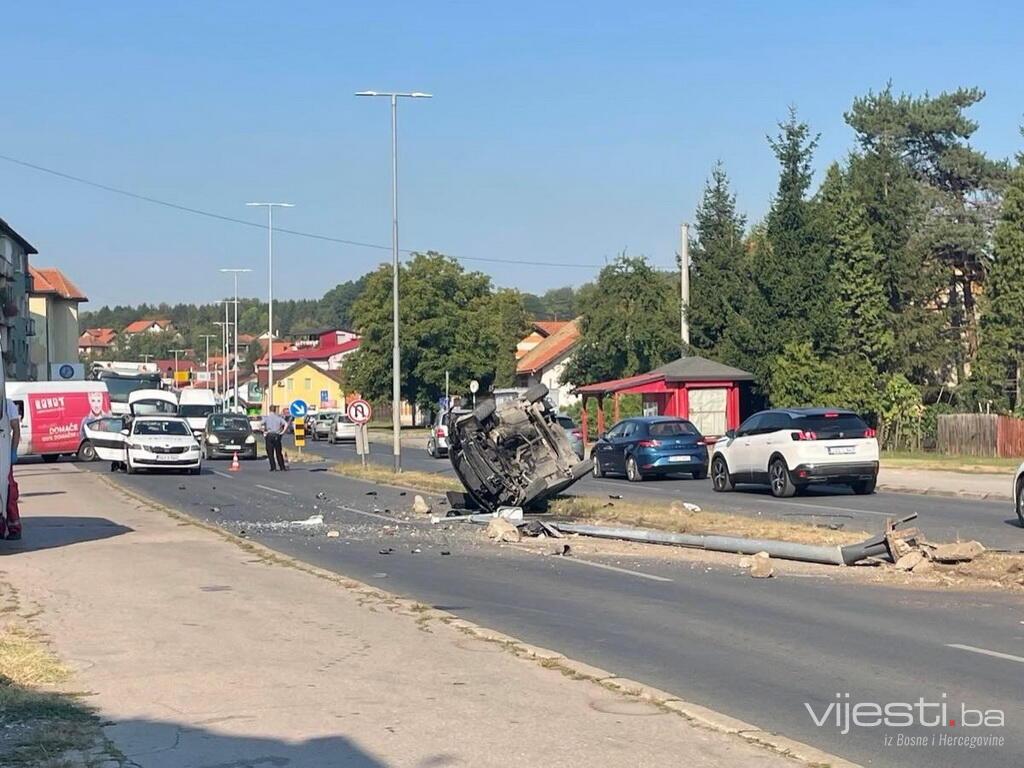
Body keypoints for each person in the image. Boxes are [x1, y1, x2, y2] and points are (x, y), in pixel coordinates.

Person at [2, 398, 21, 540]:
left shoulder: (7, 404)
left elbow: (16, 429)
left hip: (3, 454)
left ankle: (14, 527)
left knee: (9, 491)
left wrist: (13, 451)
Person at [261, 405, 288, 471]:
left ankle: (273, 467)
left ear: (269, 410)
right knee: (278, 452)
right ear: (275, 410)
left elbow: (259, 424)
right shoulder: (278, 418)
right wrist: (282, 432)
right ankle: (282, 467)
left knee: (270, 452)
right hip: (277, 435)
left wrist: (264, 431)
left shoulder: (266, 418)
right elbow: (286, 424)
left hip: (269, 435)